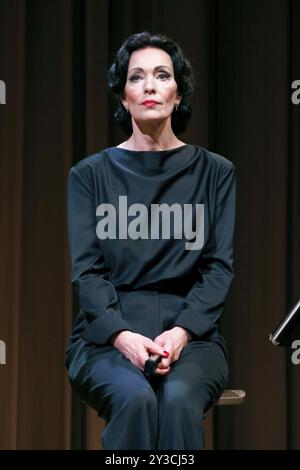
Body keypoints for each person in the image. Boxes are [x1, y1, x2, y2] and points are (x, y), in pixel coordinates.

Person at [65, 31, 236, 450]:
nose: (150, 86)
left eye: (162, 75)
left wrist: (181, 333)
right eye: (136, 78)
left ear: (178, 94)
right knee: (136, 399)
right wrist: (122, 336)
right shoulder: (89, 176)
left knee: (178, 401)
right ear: (123, 98)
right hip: (105, 338)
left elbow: (218, 267)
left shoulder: (215, 173)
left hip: (192, 338)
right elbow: (87, 272)